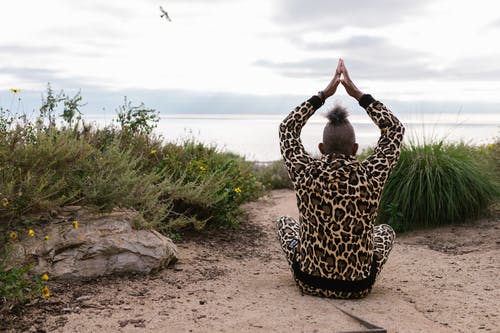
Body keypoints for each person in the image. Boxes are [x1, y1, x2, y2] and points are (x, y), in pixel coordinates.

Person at [276, 58, 405, 299]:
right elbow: (394, 129)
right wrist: (359, 95)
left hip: (308, 280)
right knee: (385, 231)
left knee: (285, 223)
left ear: (322, 148)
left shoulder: (305, 172)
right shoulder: (371, 175)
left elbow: (287, 130)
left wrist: (322, 95)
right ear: (355, 149)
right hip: (358, 286)